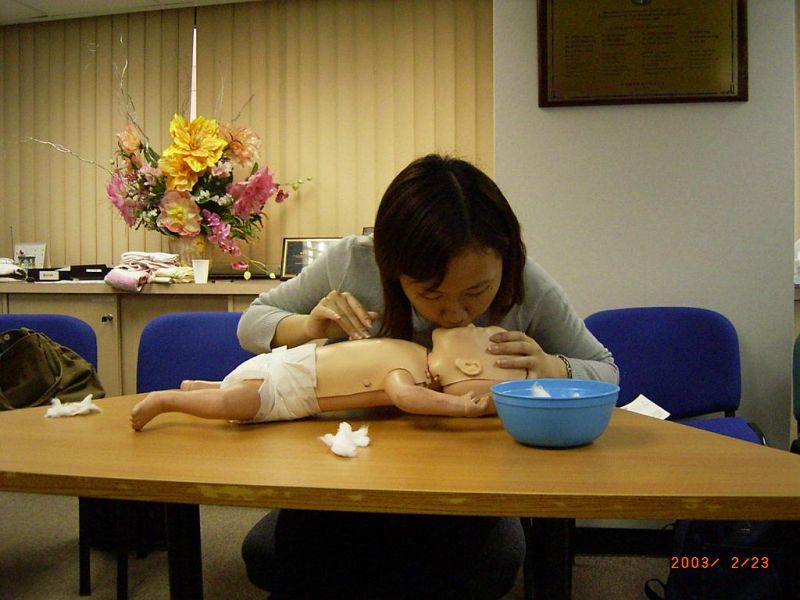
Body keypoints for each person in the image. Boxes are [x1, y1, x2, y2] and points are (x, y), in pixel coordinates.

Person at [237, 154, 618, 599]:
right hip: (353, 475)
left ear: (506, 257)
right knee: (311, 560)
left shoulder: (526, 283)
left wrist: (553, 367)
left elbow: (606, 371)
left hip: (471, 484)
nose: (454, 312)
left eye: (477, 291)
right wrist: (309, 325)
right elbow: (252, 324)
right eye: (430, 294)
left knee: (460, 570)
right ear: (393, 269)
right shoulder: (354, 263)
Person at [129, 324, 526, 431]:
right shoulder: (406, 372)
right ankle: (168, 400)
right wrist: (459, 407)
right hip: (287, 387)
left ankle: (202, 386)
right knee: (233, 405)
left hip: (289, 368)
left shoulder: (409, 352)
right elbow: (407, 399)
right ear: (468, 368)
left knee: (234, 392)